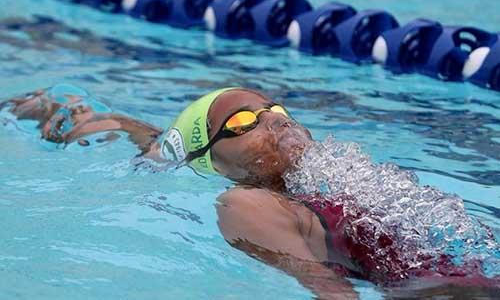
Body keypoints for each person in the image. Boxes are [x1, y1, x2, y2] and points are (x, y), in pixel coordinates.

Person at [1, 84, 499, 300]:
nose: (272, 120)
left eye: (273, 110)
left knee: (139, 133)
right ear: (216, 162)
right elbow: (327, 287)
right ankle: (58, 114)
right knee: (124, 131)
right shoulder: (244, 202)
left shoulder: (329, 184)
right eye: (242, 122)